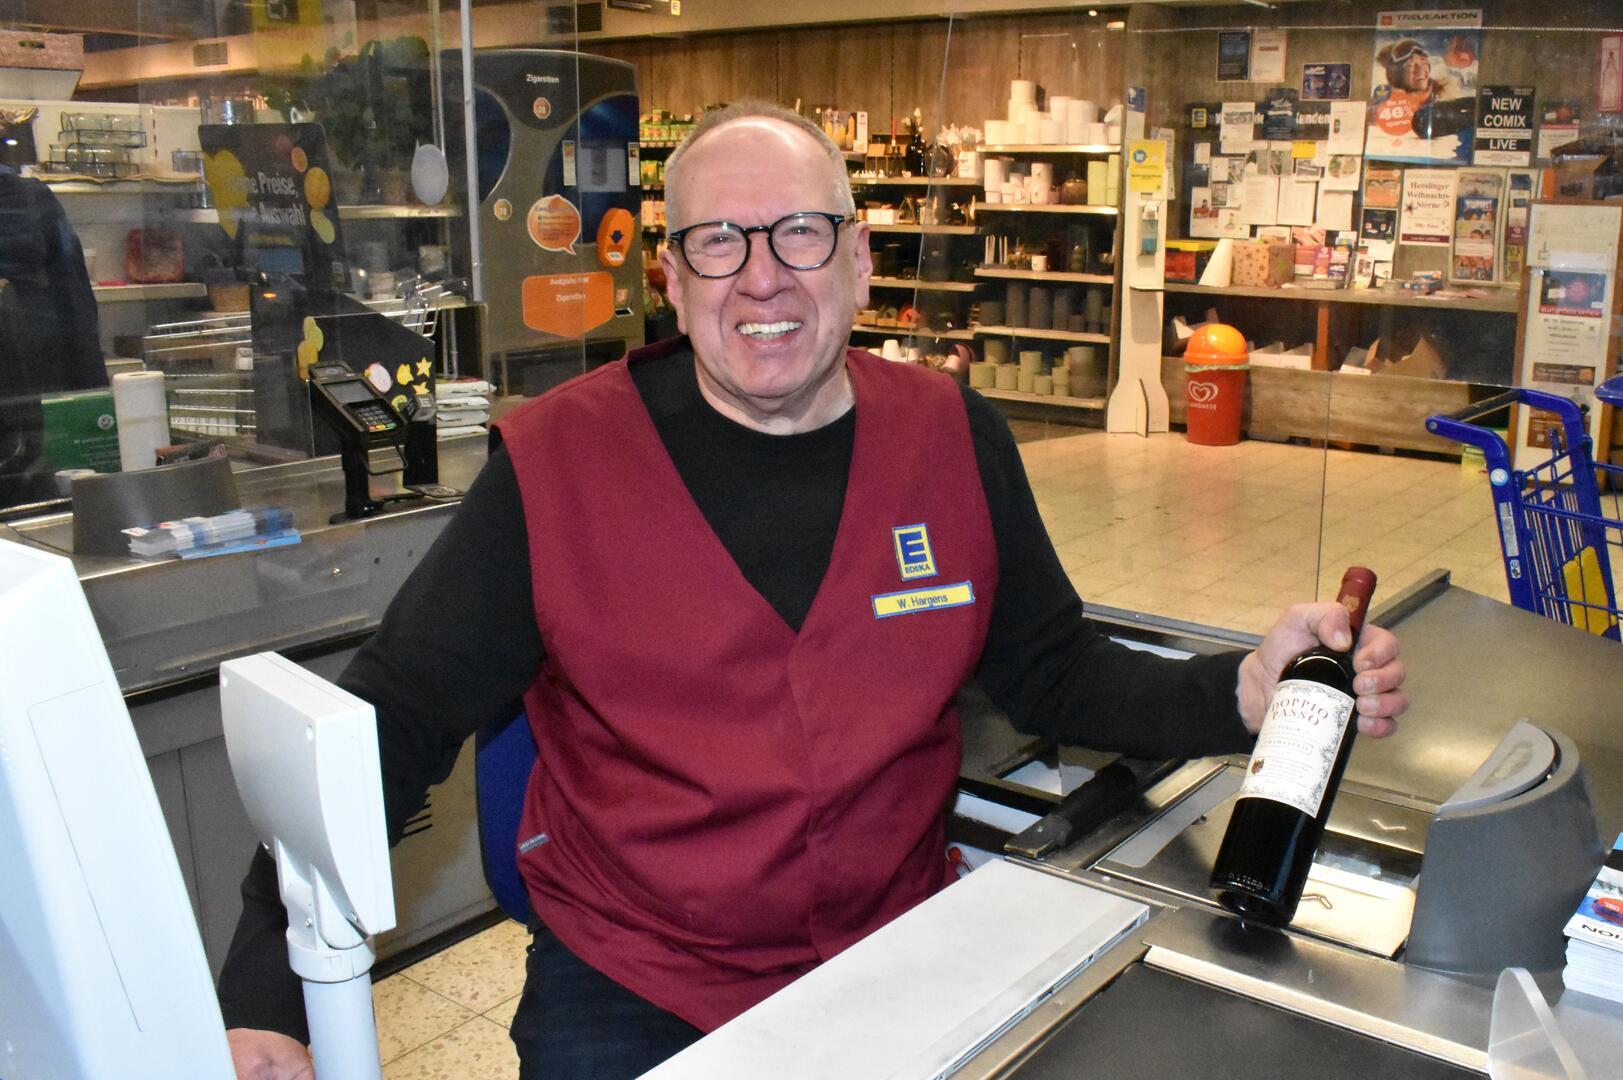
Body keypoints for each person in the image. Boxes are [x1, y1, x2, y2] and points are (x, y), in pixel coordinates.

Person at [221, 101, 1409, 1080]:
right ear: (671, 281)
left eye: (798, 234)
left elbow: (1054, 669)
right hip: (636, 980)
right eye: (717, 244)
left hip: (897, 952)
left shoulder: (953, 436)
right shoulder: (558, 465)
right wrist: (269, 982)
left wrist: (1244, 693)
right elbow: (391, 717)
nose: (761, 280)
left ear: (859, 256)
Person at [0, 159, 107, 510]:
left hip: (32, 399)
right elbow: (75, 304)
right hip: (35, 396)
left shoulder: (28, 200)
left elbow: (74, 304)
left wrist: (91, 404)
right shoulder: (28, 199)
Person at [1371, 38, 1472, 143]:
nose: (1420, 71)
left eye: (1423, 62)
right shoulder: (1383, 102)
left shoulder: (1449, 93)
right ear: (1396, 74)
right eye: (1410, 66)